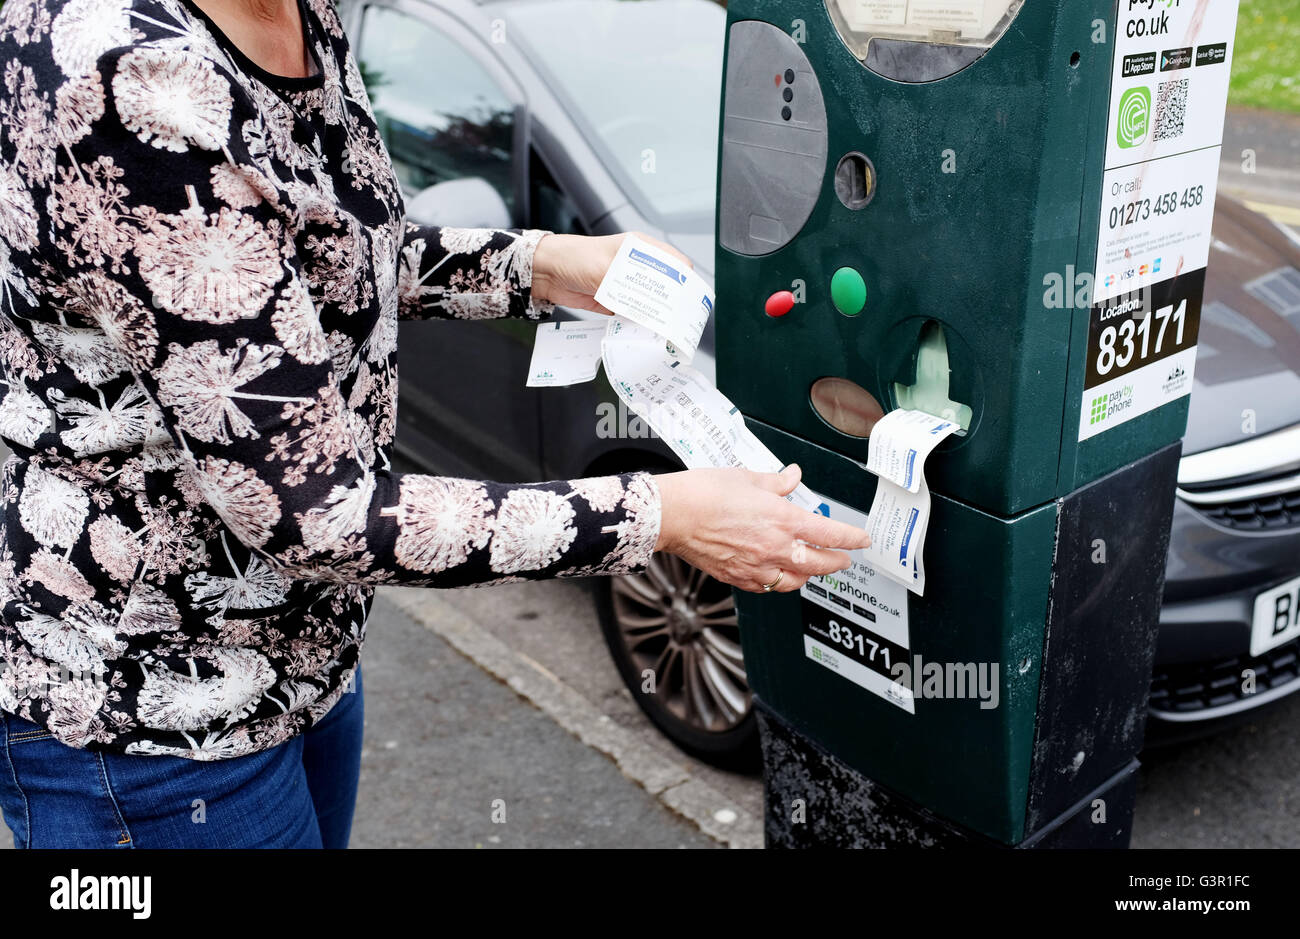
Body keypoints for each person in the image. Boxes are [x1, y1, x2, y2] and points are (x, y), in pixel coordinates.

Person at [0, 0, 870, 848]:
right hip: (146, 713)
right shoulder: (132, 77)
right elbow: (318, 513)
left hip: (306, 653)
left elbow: (326, 255)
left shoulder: (301, 15)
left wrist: (542, 262)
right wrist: (668, 515)